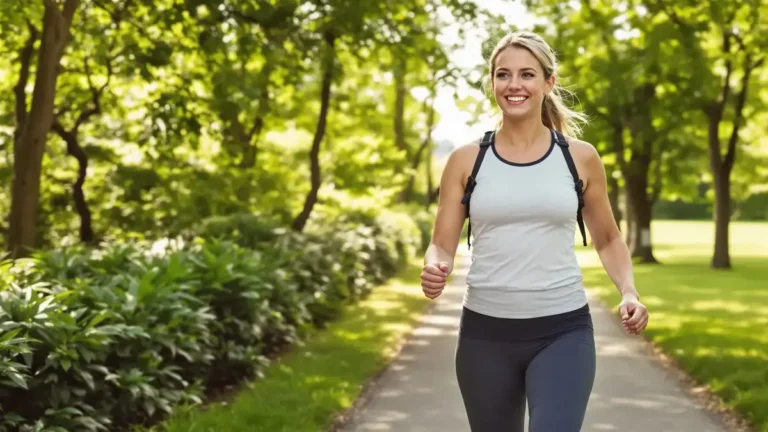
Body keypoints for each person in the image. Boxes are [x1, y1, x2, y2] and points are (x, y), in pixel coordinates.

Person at [420, 31, 649, 432]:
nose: (514, 85)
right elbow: (442, 243)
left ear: (548, 82)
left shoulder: (580, 158)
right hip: (484, 336)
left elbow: (608, 238)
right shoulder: (465, 160)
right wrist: (435, 266)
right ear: (492, 82)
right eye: (503, 75)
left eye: (527, 74)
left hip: (562, 333)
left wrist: (628, 291)